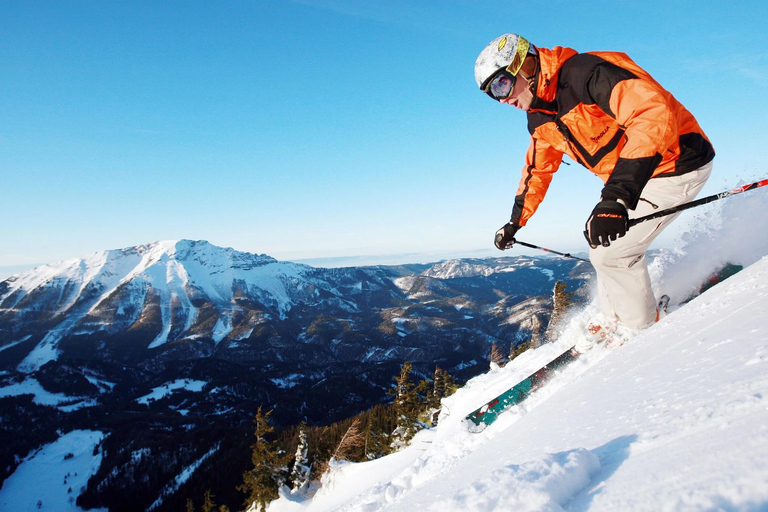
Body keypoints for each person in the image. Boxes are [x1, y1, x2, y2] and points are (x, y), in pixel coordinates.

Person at [474, 33, 714, 343]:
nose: (502, 99)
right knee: (601, 240)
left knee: (613, 253)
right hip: (638, 178)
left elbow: (650, 114)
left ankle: (641, 332)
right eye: (492, 95)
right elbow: (537, 171)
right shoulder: (539, 118)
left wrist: (615, 197)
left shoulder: (587, 73)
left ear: (526, 66)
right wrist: (515, 222)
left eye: (501, 85)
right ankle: (616, 316)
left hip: (677, 162)